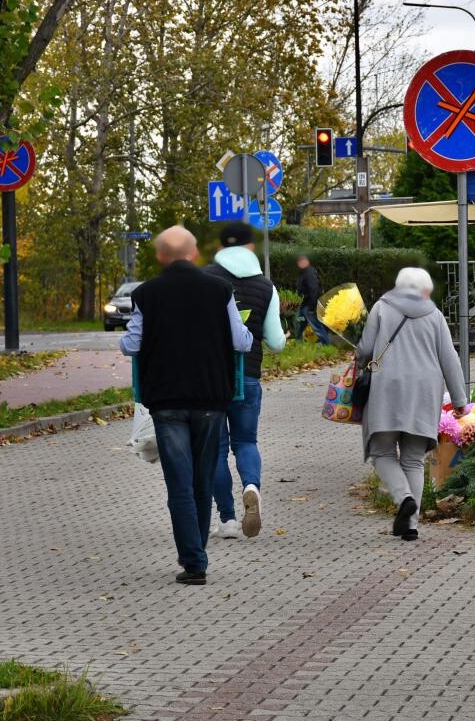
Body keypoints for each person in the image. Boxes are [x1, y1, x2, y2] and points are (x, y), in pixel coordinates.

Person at [120, 226, 253, 585]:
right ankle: (196, 553)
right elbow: (240, 341)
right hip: (211, 397)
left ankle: (194, 561)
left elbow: (132, 344)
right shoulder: (219, 289)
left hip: (166, 401)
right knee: (202, 477)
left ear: (161, 256)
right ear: (194, 254)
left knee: (178, 481)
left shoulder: (146, 294)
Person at [359, 267, 468, 541]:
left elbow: (366, 350)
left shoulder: (381, 308)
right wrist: (459, 401)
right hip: (424, 393)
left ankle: (403, 497)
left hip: (386, 390)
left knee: (382, 452)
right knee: (413, 460)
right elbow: (449, 358)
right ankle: (411, 525)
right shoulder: (435, 314)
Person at [205, 223, 286, 540]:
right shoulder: (266, 286)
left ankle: (227, 520)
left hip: (210, 378)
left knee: (216, 449)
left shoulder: (205, 280)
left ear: (221, 247)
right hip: (248, 376)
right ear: (250, 248)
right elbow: (276, 342)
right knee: (246, 442)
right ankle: (251, 486)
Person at [295, 254, 330, 344]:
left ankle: (326, 344)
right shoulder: (305, 272)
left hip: (308, 305)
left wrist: (312, 306)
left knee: (316, 326)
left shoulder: (309, 272)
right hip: (304, 304)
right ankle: (297, 343)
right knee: (300, 324)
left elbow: (313, 289)